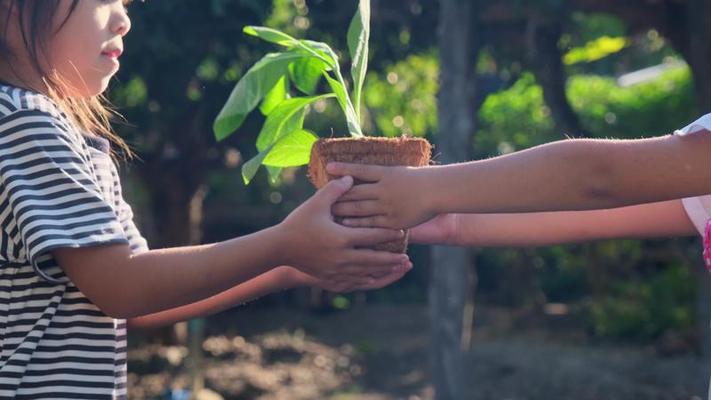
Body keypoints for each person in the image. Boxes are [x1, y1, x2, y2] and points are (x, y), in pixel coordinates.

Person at [0, 1, 411, 398]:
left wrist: (291, 265)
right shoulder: (24, 121)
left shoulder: (61, 134)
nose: (124, 20)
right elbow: (121, 287)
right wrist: (284, 243)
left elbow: (141, 303)